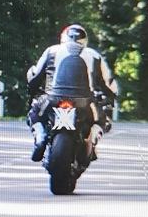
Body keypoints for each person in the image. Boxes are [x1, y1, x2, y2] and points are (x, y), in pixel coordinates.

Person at [26, 23, 118, 162]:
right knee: (101, 120)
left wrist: (33, 93)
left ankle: (40, 137)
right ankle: (92, 141)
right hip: (85, 102)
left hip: (53, 99)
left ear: (63, 38)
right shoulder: (94, 55)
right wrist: (109, 99)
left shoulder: (52, 51)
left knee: (34, 113)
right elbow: (108, 83)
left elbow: (35, 75)